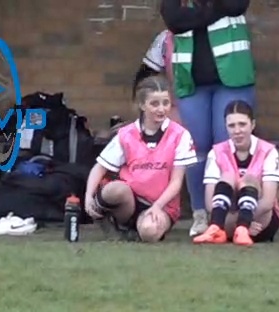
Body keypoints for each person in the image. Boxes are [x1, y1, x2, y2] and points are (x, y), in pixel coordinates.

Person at [160, 1, 257, 239]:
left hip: (232, 76)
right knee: (196, 149)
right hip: (191, 81)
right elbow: (174, 19)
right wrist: (212, 12)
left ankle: (230, 215)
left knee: (229, 146)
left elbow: (235, 6)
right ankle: (201, 214)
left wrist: (196, 14)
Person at [84, 78, 196, 243]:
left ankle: (133, 231)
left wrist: (157, 206)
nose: (161, 109)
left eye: (166, 103)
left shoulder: (180, 135)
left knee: (149, 232)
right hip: (131, 200)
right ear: (142, 105)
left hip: (162, 204)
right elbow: (99, 167)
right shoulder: (126, 134)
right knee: (114, 189)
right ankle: (105, 220)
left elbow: (176, 182)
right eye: (154, 104)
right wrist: (88, 196)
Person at [193, 100, 279, 245]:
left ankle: (237, 229)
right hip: (227, 217)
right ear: (226, 127)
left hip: (260, 221)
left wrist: (245, 221)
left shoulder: (268, 151)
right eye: (231, 125)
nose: (237, 131)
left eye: (242, 124)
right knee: (228, 176)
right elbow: (210, 204)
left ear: (252, 125)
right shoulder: (216, 152)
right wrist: (239, 221)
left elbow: (267, 202)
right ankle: (218, 229)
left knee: (249, 179)